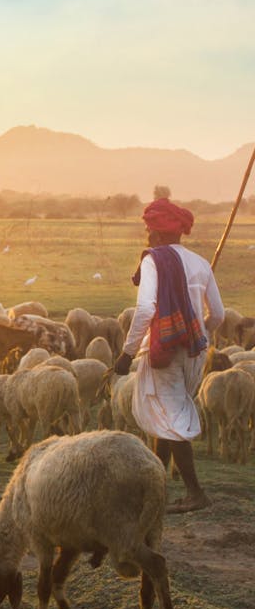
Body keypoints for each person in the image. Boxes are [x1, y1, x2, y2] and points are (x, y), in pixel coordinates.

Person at [113, 197, 224, 512]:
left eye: (149, 230)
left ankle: (195, 493)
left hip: (165, 349)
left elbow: (147, 307)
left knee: (172, 417)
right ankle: (153, 488)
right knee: (168, 413)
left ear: (158, 234)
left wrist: (126, 353)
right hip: (195, 350)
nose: (147, 237)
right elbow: (217, 314)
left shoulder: (154, 260)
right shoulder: (200, 263)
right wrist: (198, 330)